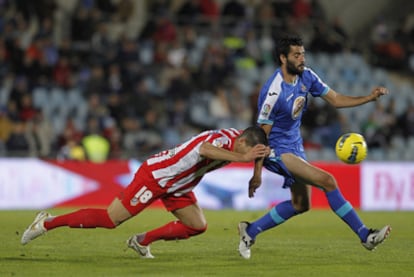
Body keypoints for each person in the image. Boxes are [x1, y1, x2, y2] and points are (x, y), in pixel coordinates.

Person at [237, 35, 391, 259]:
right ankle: (365, 235)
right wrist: (257, 172)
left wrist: (369, 98)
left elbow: (336, 99)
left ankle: (250, 230)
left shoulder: (307, 76)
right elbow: (261, 135)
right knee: (328, 181)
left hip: (294, 146)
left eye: (303, 54)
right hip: (275, 149)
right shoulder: (274, 91)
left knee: (301, 204)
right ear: (283, 58)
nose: (302, 59)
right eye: (296, 55)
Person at [21, 126, 269, 258]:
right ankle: (47, 222)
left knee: (197, 225)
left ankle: (141, 241)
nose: (249, 159)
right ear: (244, 143)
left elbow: (258, 152)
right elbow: (204, 149)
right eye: (250, 153)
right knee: (110, 219)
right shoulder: (223, 141)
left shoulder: (241, 143)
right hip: (155, 176)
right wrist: (243, 157)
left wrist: (256, 173)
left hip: (178, 186)